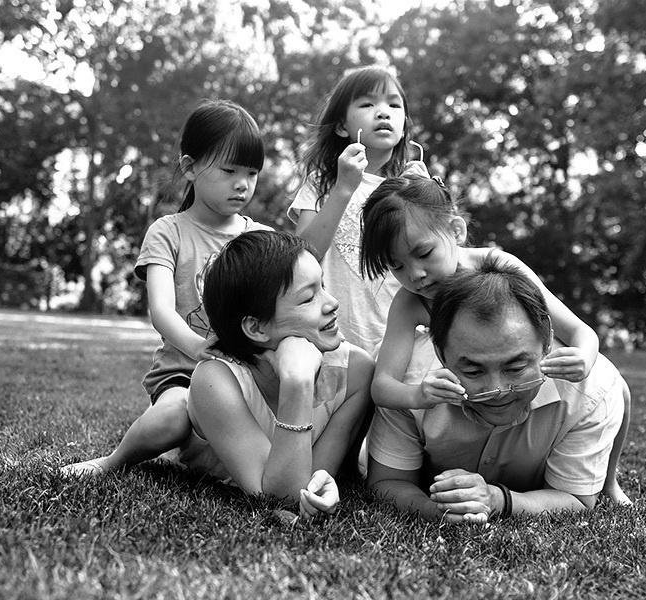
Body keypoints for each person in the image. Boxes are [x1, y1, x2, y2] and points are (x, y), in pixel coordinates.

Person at [359, 174, 630, 503]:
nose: (415, 274)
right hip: (460, 384)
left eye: (424, 253)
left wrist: (584, 359)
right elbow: (382, 384)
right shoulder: (410, 301)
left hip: (509, 369)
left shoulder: (497, 266)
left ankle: (609, 481)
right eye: (397, 266)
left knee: (614, 386)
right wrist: (418, 395)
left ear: (456, 231)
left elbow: (577, 330)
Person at [61, 100, 272, 476]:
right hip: (184, 372)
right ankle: (111, 463)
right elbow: (161, 310)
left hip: (244, 377)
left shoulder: (260, 238)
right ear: (190, 167)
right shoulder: (168, 231)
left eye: (252, 173)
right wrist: (201, 349)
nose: (243, 184)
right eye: (229, 170)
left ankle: (189, 452)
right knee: (172, 418)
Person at [366, 259, 631, 522]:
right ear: (440, 353)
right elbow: (387, 481)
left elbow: (576, 499)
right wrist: (437, 511)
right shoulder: (408, 382)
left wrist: (498, 500)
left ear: (548, 341)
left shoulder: (590, 390)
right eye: (474, 371)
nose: (497, 390)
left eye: (515, 368)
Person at [172, 230, 373, 518]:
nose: (331, 303)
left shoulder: (355, 372)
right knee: (165, 420)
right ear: (256, 328)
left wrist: (318, 488)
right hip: (185, 436)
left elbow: (304, 489)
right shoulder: (216, 381)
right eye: (308, 298)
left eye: (323, 286)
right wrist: (297, 382)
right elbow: (279, 498)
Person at [288, 65, 425, 356]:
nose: (383, 112)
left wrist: (427, 201)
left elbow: (439, 262)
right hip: (335, 343)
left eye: (393, 104)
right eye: (367, 104)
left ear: (403, 130)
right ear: (341, 126)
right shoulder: (322, 184)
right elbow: (303, 256)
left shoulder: (412, 187)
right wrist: (343, 189)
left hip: (401, 343)